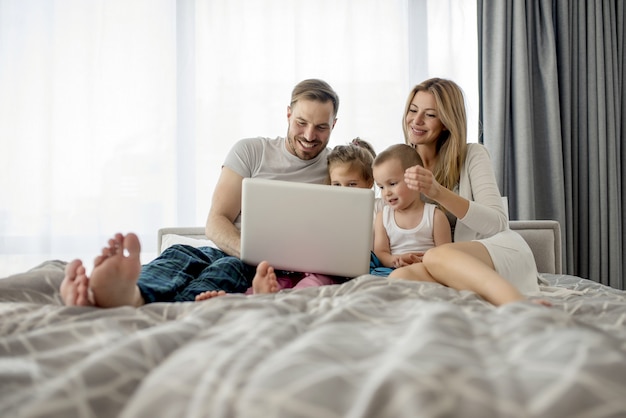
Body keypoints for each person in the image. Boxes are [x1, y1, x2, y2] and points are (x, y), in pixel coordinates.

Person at [60, 79, 340, 307]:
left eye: (321, 127)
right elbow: (216, 221)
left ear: (334, 125)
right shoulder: (251, 151)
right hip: (233, 249)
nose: (309, 135)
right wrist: (252, 251)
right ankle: (128, 293)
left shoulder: (340, 168)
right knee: (179, 254)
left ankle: (151, 306)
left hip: (270, 270)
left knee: (227, 271)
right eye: (301, 122)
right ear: (288, 114)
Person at [388, 77, 545, 306]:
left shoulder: (474, 155)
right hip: (447, 265)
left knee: (437, 255)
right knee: (399, 279)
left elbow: (497, 223)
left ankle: (517, 303)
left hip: (495, 250)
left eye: (430, 114)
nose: (417, 120)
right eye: (413, 110)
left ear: (446, 122)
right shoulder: (399, 164)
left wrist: (437, 191)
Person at [197, 138, 382, 298]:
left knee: (316, 282)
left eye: (351, 184)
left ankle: (287, 299)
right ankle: (244, 298)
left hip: (335, 271)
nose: (343, 191)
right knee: (280, 280)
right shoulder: (326, 206)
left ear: (369, 183)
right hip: (308, 263)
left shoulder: (378, 211)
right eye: (337, 184)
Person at [369, 144, 451, 276]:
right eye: (381, 187)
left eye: (392, 184)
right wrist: (395, 260)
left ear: (415, 179)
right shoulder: (383, 217)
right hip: (392, 270)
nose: (386, 193)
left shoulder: (435, 217)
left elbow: (446, 256)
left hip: (428, 271)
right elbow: (381, 253)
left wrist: (423, 263)